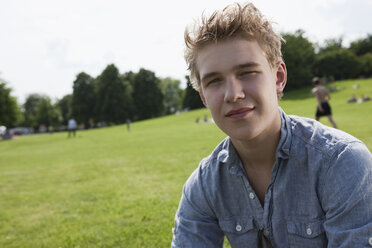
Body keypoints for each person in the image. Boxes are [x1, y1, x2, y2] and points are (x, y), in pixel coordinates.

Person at [171, 3, 372, 247]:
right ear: (203, 97)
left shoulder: (342, 163)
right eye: (214, 81)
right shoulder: (204, 185)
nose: (233, 94)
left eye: (247, 73)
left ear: (278, 77)